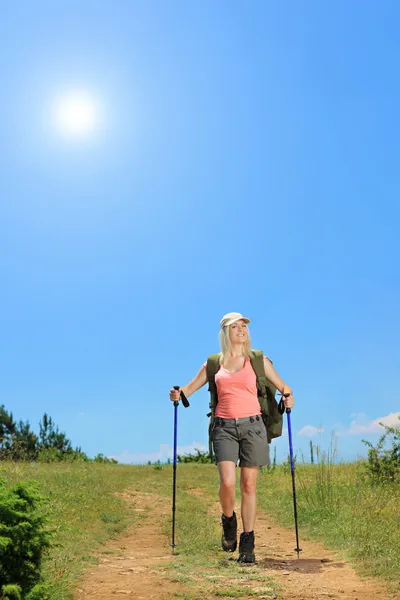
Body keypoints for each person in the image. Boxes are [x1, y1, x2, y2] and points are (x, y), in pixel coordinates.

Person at [169, 312, 294, 564]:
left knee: (248, 485)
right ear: (225, 333)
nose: (241, 330)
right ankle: (228, 521)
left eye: (243, 326)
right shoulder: (214, 364)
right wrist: (177, 394)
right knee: (227, 483)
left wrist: (288, 397)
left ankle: (247, 543)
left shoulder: (258, 360)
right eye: (235, 327)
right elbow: (188, 390)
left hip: (253, 427)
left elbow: (285, 388)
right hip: (223, 427)